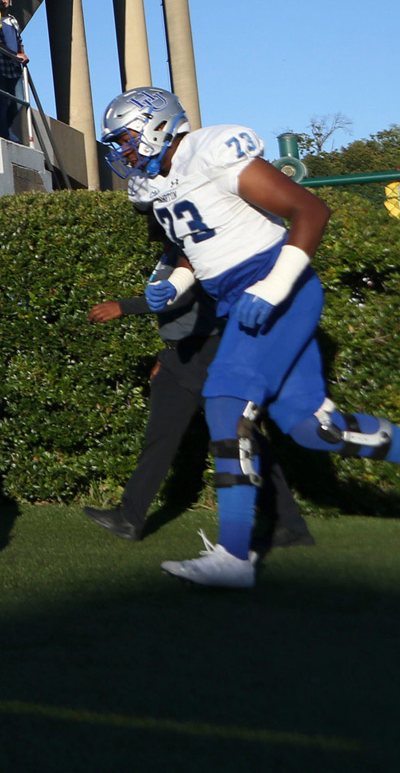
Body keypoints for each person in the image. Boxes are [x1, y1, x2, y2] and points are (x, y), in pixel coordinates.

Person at [99, 88, 394, 588]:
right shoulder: (157, 183)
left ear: (156, 125)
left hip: (279, 282)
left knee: (224, 398)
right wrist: (177, 281)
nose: (123, 153)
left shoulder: (209, 149)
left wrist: (276, 284)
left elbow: (310, 211)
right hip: (236, 295)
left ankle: (235, 557)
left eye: (126, 139)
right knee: (310, 428)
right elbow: (199, 244)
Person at [83, 260, 310, 547]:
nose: (152, 220)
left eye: (152, 213)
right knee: (160, 438)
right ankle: (129, 518)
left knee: (241, 439)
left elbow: (185, 296)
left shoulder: (198, 249)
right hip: (178, 359)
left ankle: (288, 523)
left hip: (211, 355)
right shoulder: (170, 253)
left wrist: (123, 306)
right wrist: (169, 356)